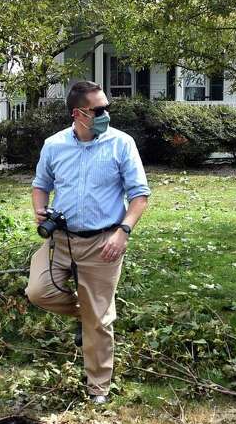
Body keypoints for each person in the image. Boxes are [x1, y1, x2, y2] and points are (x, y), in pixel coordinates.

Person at [26, 80, 150, 404]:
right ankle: (90, 315)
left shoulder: (121, 144)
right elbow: (40, 184)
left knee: (99, 320)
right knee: (38, 291)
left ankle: (98, 391)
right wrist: (40, 210)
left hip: (103, 243)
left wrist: (123, 231)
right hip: (61, 239)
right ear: (78, 114)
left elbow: (139, 196)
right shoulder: (54, 145)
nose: (106, 114)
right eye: (99, 110)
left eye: (106, 107)